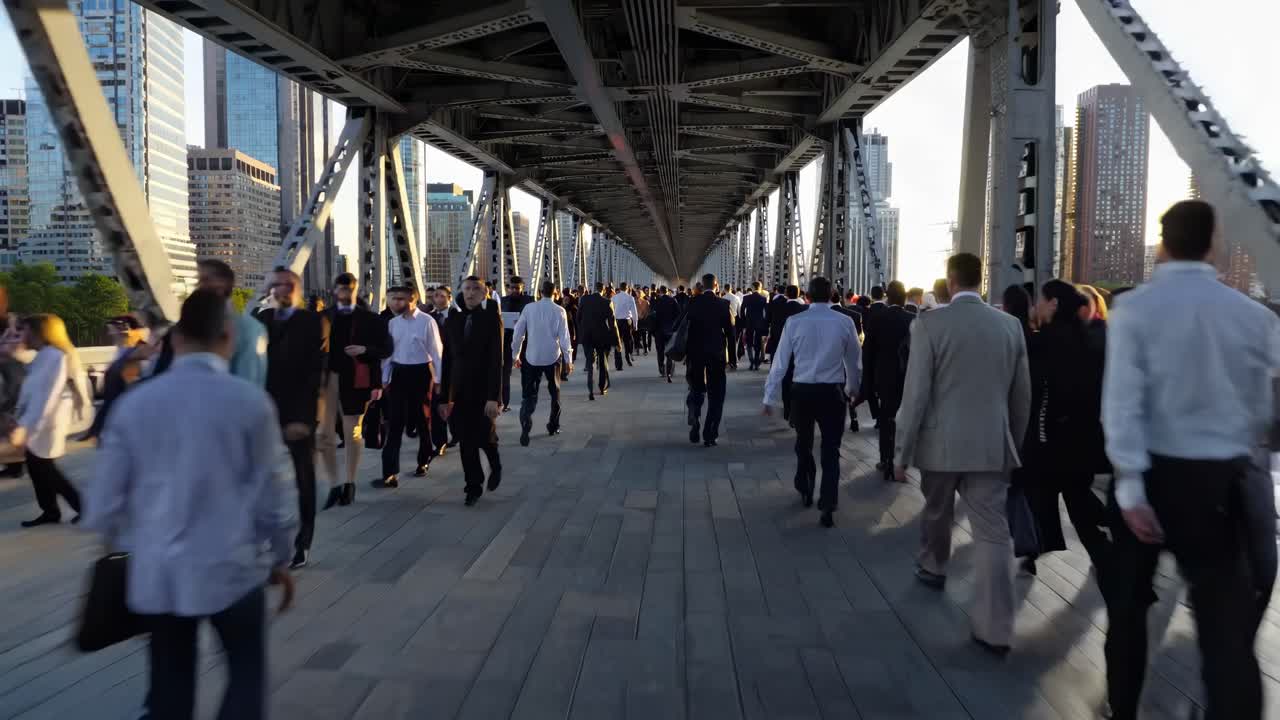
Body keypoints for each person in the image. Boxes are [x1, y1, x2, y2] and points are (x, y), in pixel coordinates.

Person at [1101, 200, 1279, 720]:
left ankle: (1123, 709)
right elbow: (1263, 412)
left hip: (1152, 476)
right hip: (1222, 484)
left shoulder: (1134, 310)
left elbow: (1122, 405)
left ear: (1164, 243)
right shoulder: (1255, 317)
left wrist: (1130, 489)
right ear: (1213, 243)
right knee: (1225, 631)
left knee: (1128, 612)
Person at [84, 289, 297, 720]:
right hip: (234, 566)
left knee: (170, 687)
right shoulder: (250, 403)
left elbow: (103, 503)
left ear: (176, 339)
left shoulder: (136, 404)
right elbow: (276, 496)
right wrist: (280, 556)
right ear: (228, 337)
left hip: (158, 571)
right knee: (245, 675)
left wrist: (125, 546)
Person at [894, 252, 1031, 655]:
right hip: (991, 445)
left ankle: (934, 565)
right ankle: (996, 627)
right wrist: (1012, 443)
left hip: (940, 446)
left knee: (937, 511)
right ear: (980, 281)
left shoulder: (929, 324)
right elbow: (1021, 396)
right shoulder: (1010, 326)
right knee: (993, 533)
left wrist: (902, 453)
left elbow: (915, 395)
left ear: (951, 282)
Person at [1018, 280, 1109, 576]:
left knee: (1043, 497)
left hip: (1051, 441)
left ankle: (1034, 548)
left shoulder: (1046, 342)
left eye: (1040, 300)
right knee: (1080, 509)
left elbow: (1038, 393)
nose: (1037, 305)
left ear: (1054, 304)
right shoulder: (1088, 338)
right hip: (1081, 440)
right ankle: (1111, 564)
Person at [763, 276, 860, 529]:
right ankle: (828, 503)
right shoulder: (845, 322)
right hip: (832, 393)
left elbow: (780, 363)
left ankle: (805, 484)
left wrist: (769, 396)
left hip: (802, 392)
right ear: (831, 295)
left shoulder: (794, 322)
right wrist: (853, 389)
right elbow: (853, 362)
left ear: (806, 296)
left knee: (803, 443)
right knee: (831, 449)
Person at [256, 267, 329, 570]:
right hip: (262, 410)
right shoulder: (258, 320)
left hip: (299, 411)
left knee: (302, 477)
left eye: (288, 285)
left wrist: (306, 418)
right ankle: (265, 535)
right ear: (268, 289)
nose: (282, 289)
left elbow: (317, 371)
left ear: (298, 290)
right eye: (276, 285)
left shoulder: (313, 322)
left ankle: (303, 541)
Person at [316, 273, 391, 509]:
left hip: (357, 380)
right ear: (334, 290)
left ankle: (349, 482)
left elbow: (385, 350)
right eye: (341, 288)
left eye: (349, 289)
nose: (345, 293)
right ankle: (333, 484)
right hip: (326, 380)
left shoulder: (371, 319)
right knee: (324, 435)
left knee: (353, 432)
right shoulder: (321, 317)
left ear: (356, 290)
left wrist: (365, 350)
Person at [11, 314, 91, 527]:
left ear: (39, 332)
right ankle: (50, 510)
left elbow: (47, 396)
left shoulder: (55, 357)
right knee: (37, 468)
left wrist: (28, 427)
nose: (21, 334)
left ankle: (81, 507)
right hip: (37, 421)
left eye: (25, 330)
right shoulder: (42, 356)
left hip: (46, 423)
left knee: (46, 469)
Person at [441, 276, 504, 505]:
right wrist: (444, 397)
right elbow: (447, 360)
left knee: (485, 436)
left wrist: (494, 397)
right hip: (459, 391)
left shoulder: (491, 318)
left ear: (484, 293)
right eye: (467, 288)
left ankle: (495, 464)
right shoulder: (453, 319)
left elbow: (496, 360)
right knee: (465, 439)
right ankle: (473, 486)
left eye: (476, 289)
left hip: (483, 389)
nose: (470, 293)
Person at [379, 285, 442, 488]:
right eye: (393, 298)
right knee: (395, 422)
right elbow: (389, 353)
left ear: (413, 300)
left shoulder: (427, 321)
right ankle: (389, 471)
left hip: (421, 373)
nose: (395, 302)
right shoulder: (393, 323)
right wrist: (384, 377)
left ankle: (424, 460)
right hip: (399, 374)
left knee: (423, 419)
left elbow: (437, 352)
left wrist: (439, 380)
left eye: (400, 299)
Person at [862, 281, 914, 480]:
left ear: (887, 297)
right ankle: (902, 459)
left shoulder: (877, 318)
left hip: (883, 375)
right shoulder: (912, 319)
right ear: (904, 297)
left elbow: (868, 352)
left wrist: (867, 380)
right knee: (904, 418)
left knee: (886, 416)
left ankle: (885, 459)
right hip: (906, 376)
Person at [510, 280, 573, 446]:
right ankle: (553, 425)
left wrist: (516, 355)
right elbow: (564, 337)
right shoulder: (560, 310)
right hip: (553, 357)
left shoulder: (529, 308)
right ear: (555, 293)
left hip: (532, 357)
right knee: (555, 393)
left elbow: (518, 334)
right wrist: (568, 360)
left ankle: (526, 423)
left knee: (529, 395)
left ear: (540, 292)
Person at [684, 273, 734, 448]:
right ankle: (710, 434)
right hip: (716, 355)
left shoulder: (692, 302)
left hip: (695, 354)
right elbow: (730, 333)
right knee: (716, 395)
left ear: (702, 286)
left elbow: (684, 328)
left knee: (696, 388)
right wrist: (732, 359)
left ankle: (695, 411)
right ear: (716, 285)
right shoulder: (723, 304)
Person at [575, 282, 619, 400]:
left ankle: (590, 389)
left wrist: (582, 330)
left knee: (590, 362)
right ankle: (601, 387)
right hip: (601, 336)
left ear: (594, 289)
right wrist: (616, 341)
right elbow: (612, 324)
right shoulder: (607, 302)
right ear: (603, 290)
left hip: (587, 336)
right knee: (602, 361)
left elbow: (578, 317)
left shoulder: (584, 300)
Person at [499, 276, 535, 412]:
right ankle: (505, 403)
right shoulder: (503, 300)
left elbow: (534, 319)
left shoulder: (529, 301)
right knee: (505, 373)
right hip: (507, 341)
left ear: (522, 288)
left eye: (517, 288)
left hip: (526, 342)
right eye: (512, 288)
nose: (514, 290)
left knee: (527, 373)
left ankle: (527, 398)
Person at [650, 286, 680, 382]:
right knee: (669, 351)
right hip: (670, 330)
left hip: (659, 331)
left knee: (660, 351)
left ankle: (661, 368)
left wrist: (653, 331)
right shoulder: (673, 301)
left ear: (660, 292)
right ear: (667, 292)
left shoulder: (657, 301)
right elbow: (678, 315)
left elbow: (653, 316)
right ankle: (669, 371)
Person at [739, 282, 769, 371]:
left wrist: (744, 321)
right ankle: (756, 362)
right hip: (759, 323)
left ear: (752, 287)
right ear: (760, 287)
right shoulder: (763, 299)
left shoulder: (746, 298)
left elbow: (742, 310)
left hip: (749, 323)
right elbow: (766, 313)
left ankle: (751, 361)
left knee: (749, 342)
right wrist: (765, 323)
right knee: (758, 343)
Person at [611, 281, 637, 370]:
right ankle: (628, 357)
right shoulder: (630, 298)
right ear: (627, 288)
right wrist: (635, 324)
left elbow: (611, 311)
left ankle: (618, 364)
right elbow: (634, 313)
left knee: (617, 342)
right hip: (627, 322)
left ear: (620, 288)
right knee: (627, 341)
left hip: (617, 322)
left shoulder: (614, 298)